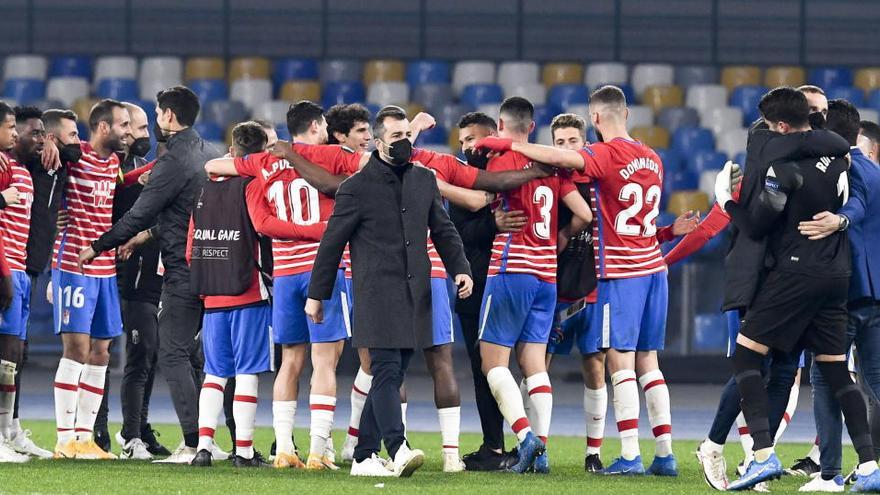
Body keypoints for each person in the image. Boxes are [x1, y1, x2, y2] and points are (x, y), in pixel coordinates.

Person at [475, 87, 676, 476]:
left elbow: (562, 159)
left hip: (619, 273)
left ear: (595, 119)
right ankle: (664, 454)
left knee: (619, 362)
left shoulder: (603, 153)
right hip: (654, 269)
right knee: (649, 363)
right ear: (627, 114)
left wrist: (511, 144)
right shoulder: (652, 156)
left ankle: (631, 455)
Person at [717, 87, 880, 491]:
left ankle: (761, 455)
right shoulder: (841, 157)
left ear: (784, 126)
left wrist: (725, 201)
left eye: (773, 127)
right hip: (837, 276)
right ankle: (871, 465)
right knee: (838, 372)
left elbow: (756, 224)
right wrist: (841, 221)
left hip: (795, 273)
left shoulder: (783, 164)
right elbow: (845, 173)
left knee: (745, 357)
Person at [306, 105, 473, 478]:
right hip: (375, 293)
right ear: (378, 142)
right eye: (396, 137)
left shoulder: (424, 180)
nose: (403, 143)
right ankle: (397, 448)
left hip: (415, 295)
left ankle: (364, 456)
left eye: (406, 136)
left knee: (392, 375)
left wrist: (461, 268)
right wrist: (317, 296)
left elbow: (443, 230)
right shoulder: (355, 188)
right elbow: (331, 245)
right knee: (384, 370)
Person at [205, 102, 363, 470]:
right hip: (323, 269)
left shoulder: (263, 162)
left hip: (285, 274)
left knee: (290, 362)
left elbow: (213, 166)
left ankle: (283, 450)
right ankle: (317, 451)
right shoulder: (330, 154)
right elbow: (369, 170)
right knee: (325, 362)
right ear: (316, 124)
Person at [85, 87, 221, 464]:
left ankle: (196, 443)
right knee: (200, 356)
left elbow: (139, 214)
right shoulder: (208, 153)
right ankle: (214, 437)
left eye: (157, 115)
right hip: (212, 265)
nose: (154, 122)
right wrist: (148, 234)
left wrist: (98, 245)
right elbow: (180, 215)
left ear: (170, 117)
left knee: (172, 353)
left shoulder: (173, 160)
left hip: (180, 269)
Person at [190, 122, 321, 468]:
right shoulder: (253, 186)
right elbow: (264, 226)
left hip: (212, 295)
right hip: (248, 292)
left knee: (214, 374)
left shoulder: (204, 191)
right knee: (247, 372)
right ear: (263, 153)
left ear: (232, 150)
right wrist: (311, 230)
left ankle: (204, 446)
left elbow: (192, 248)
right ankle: (244, 451)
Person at [476, 97, 592, 474]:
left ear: (500, 123)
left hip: (512, 268)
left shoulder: (501, 161)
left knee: (492, 360)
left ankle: (527, 437)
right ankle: (541, 455)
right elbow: (585, 214)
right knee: (534, 363)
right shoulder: (553, 165)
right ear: (532, 126)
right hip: (546, 275)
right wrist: (560, 237)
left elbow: (486, 196)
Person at [791, 100, 880, 491]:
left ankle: (827, 473)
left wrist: (841, 220)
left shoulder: (840, 169)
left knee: (826, 376)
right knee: (875, 381)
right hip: (875, 292)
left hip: (842, 292)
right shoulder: (876, 170)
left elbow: (853, 209)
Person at [50, 99, 131, 460]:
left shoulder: (114, 162)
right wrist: (49, 143)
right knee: (77, 350)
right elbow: (42, 167)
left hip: (106, 269)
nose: (127, 131)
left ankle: (85, 438)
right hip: (73, 265)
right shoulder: (73, 155)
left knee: (102, 352)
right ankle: (64, 438)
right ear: (102, 128)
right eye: (123, 125)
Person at [95, 102, 169, 460]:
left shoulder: (140, 168)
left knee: (147, 354)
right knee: (109, 354)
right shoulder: (106, 168)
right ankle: (109, 432)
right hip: (119, 273)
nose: (141, 135)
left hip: (148, 272)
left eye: (140, 129)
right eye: (135, 128)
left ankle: (137, 428)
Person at [449, 112, 521, 472]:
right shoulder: (459, 181)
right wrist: (492, 224)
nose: (467, 148)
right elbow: (455, 236)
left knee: (524, 365)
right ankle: (495, 446)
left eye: (474, 140)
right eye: (463, 141)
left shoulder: (514, 174)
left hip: (514, 280)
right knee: (483, 369)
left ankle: (521, 444)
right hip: (475, 287)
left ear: (493, 137)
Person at [0, 102, 32, 463]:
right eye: (9, 126)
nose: (14, 132)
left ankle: (5, 434)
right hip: (5, 267)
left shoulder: (10, 165)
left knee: (10, 358)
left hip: (15, 267)